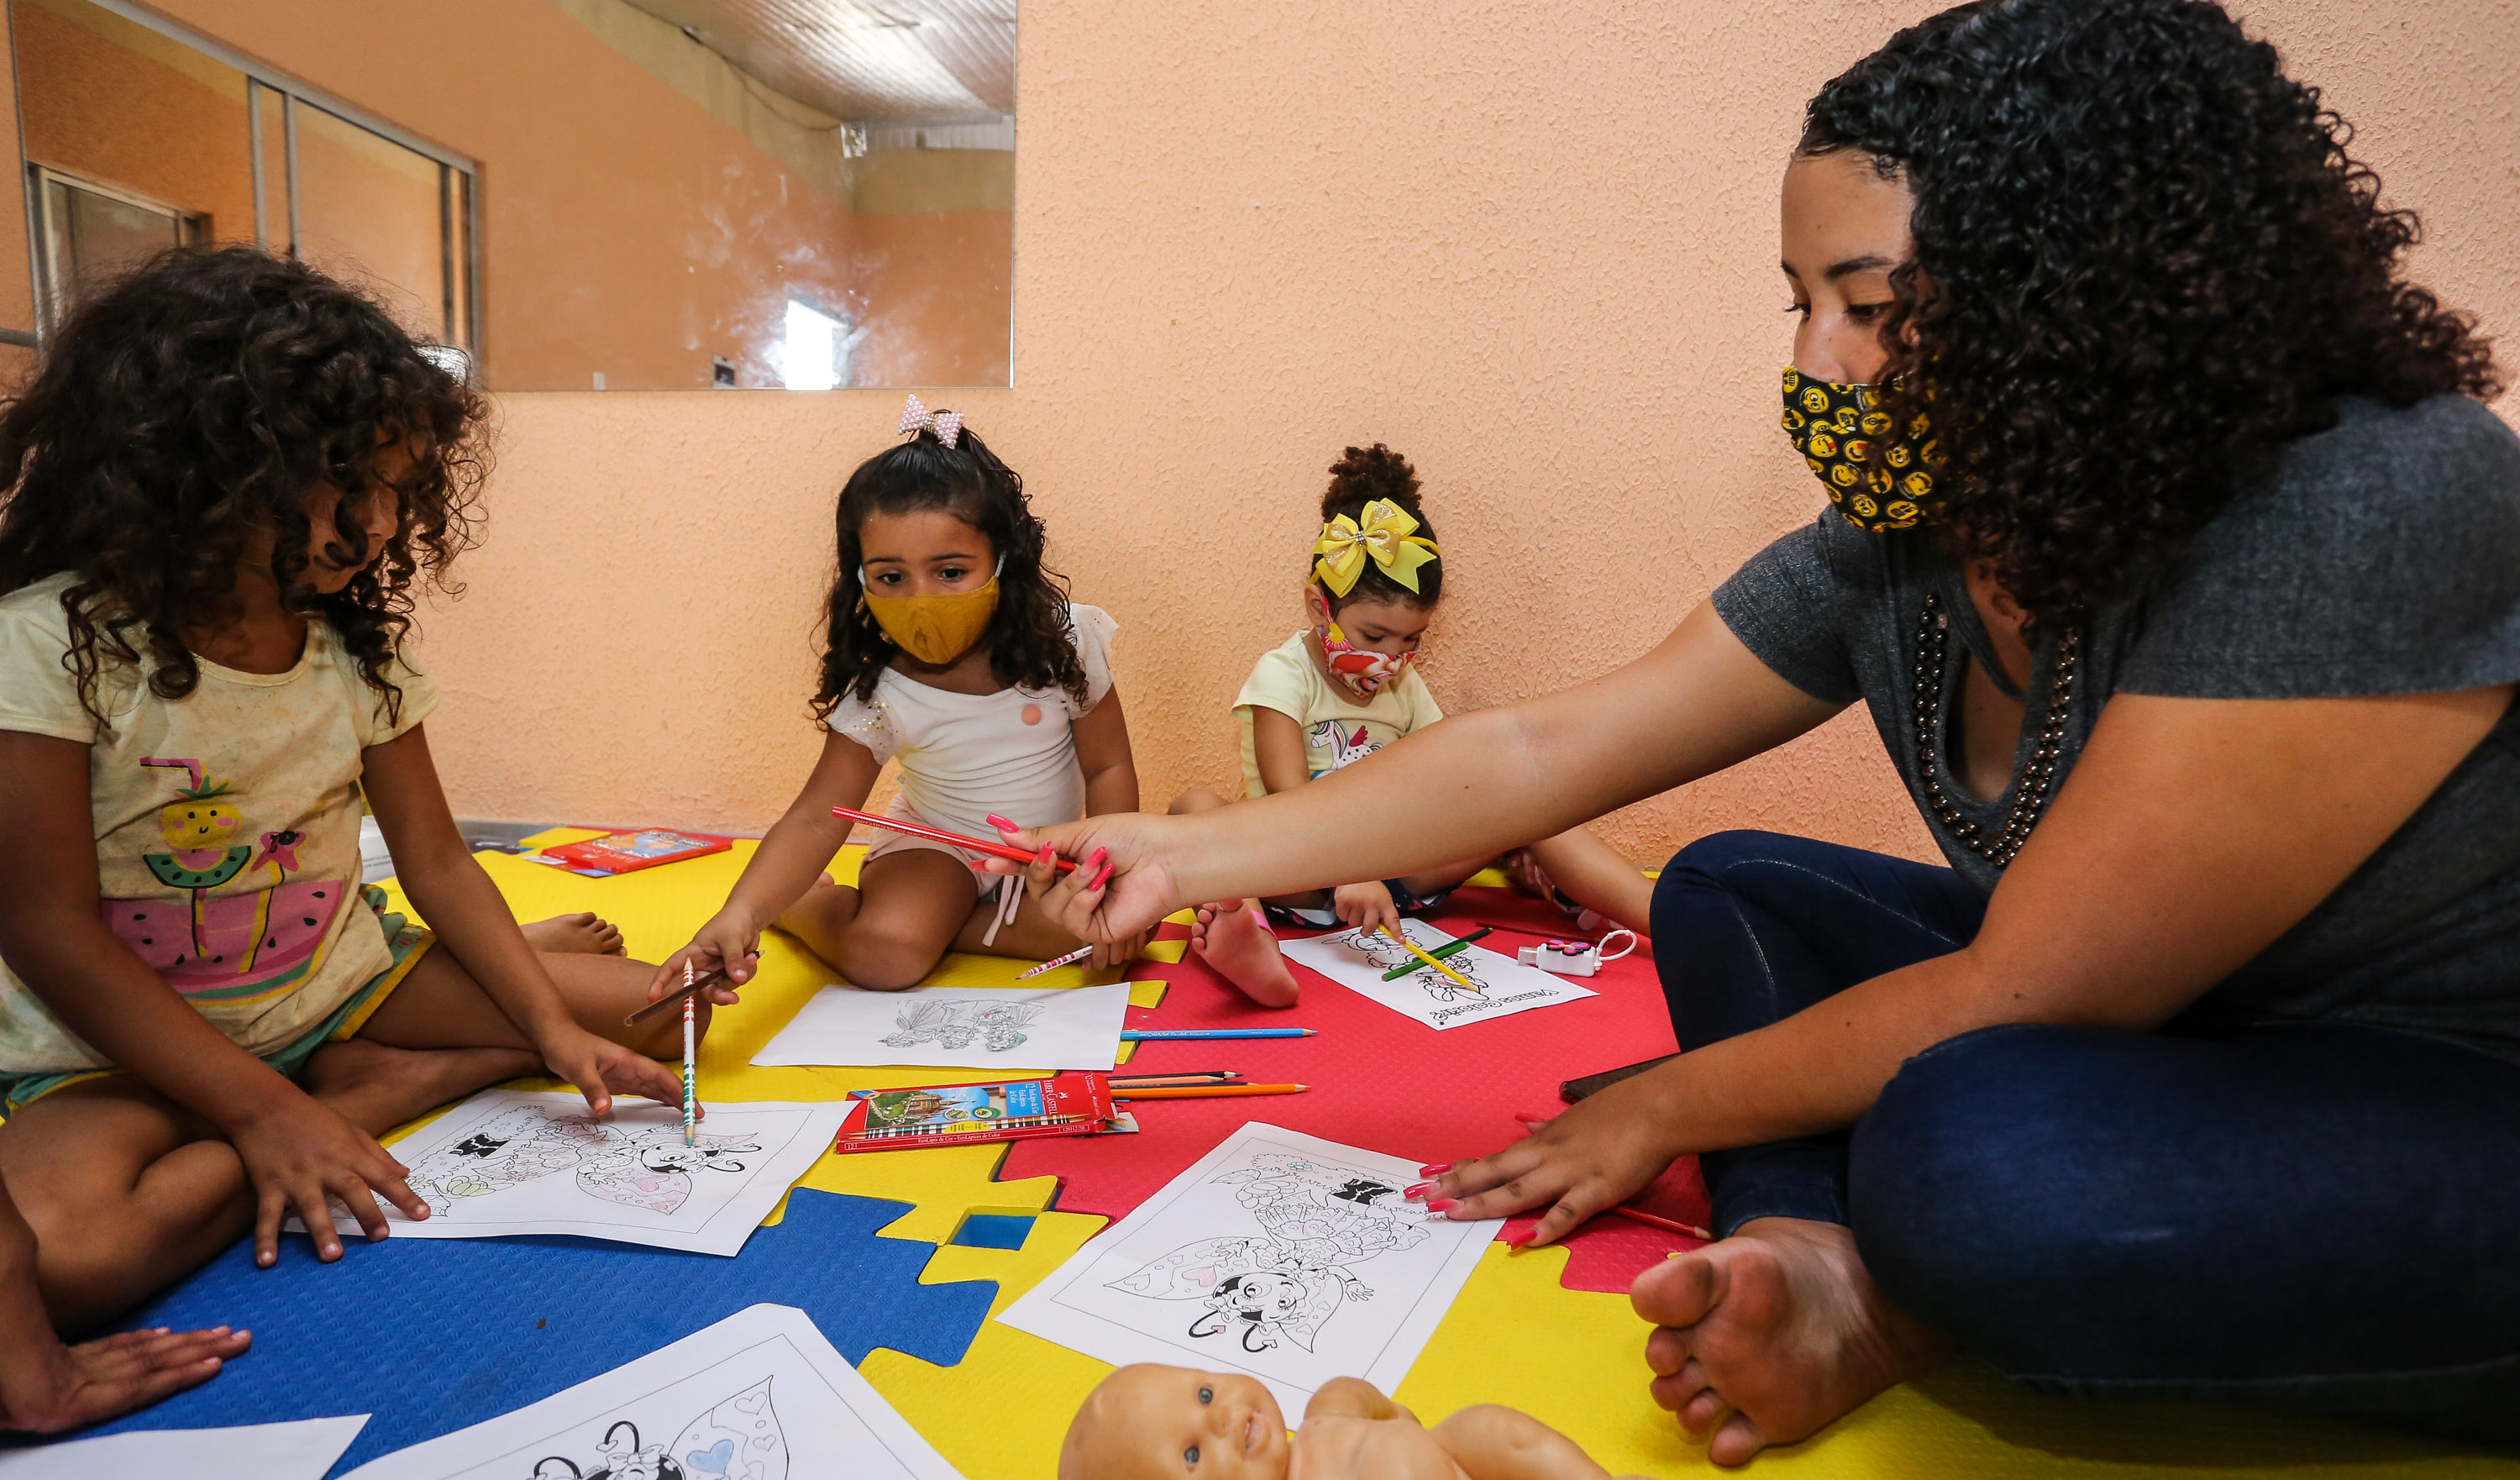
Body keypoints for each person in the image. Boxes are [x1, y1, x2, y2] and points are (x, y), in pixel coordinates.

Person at [988, 0, 2520, 1459]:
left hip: (2436, 1078)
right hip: (2172, 1038)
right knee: (1732, 885)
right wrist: (1173, 851)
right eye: (1803, 304)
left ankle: (1889, 1286)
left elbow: (2031, 985)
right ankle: (1801, 1247)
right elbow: (1538, 755)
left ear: (2081, 292)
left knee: (1975, 1158)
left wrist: (1662, 1104)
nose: (1815, 362)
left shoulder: (2374, 498)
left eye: (1872, 307)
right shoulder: (1902, 553)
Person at [0, 248, 695, 1334]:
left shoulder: (354, 650)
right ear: (203, 463)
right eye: (346, 482)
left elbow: (440, 859)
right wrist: (265, 1111)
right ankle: (362, 1091)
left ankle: (364, 1066)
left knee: (669, 1012)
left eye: (399, 491)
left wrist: (553, 1029)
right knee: (67, 1263)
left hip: (332, 984)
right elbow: (48, 930)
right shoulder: (48, 644)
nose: (375, 522)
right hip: (116, 1047)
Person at [659, 399, 1142, 998]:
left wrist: (1106, 878)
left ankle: (947, 928)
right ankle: (804, 905)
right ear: (860, 578)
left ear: (1003, 558)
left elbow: (1108, 766)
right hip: (936, 847)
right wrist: (743, 913)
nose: (922, 599)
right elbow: (815, 818)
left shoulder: (1065, 642)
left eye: (950, 572)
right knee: (887, 957)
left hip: (1044, 857)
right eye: (891, 577)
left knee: (1119, 931)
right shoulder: (879, 692)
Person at [1172, 443, 1655, 1005]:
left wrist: (1505, 829)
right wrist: (1347, 868)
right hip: (1292, 873)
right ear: (1319, 607)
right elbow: (1289, 798)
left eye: (1411, 640)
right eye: (1373, 636)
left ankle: (1670, 919)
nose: (1391, 658)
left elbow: (1443, 782)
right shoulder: (1283, 675)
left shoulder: (1405, 686)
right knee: (1193, 807)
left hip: (1395, 876)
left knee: (1532, 807)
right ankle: (1251, 939)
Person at [1061, 1364, 1639, 1480]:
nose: (1223, 1421)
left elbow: (1363, 1400)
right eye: (1191, 1454)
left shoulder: (1321, 1420)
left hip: (1457, 1463)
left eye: (1206, 1394)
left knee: (1486, 1426)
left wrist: (1390, 1415)